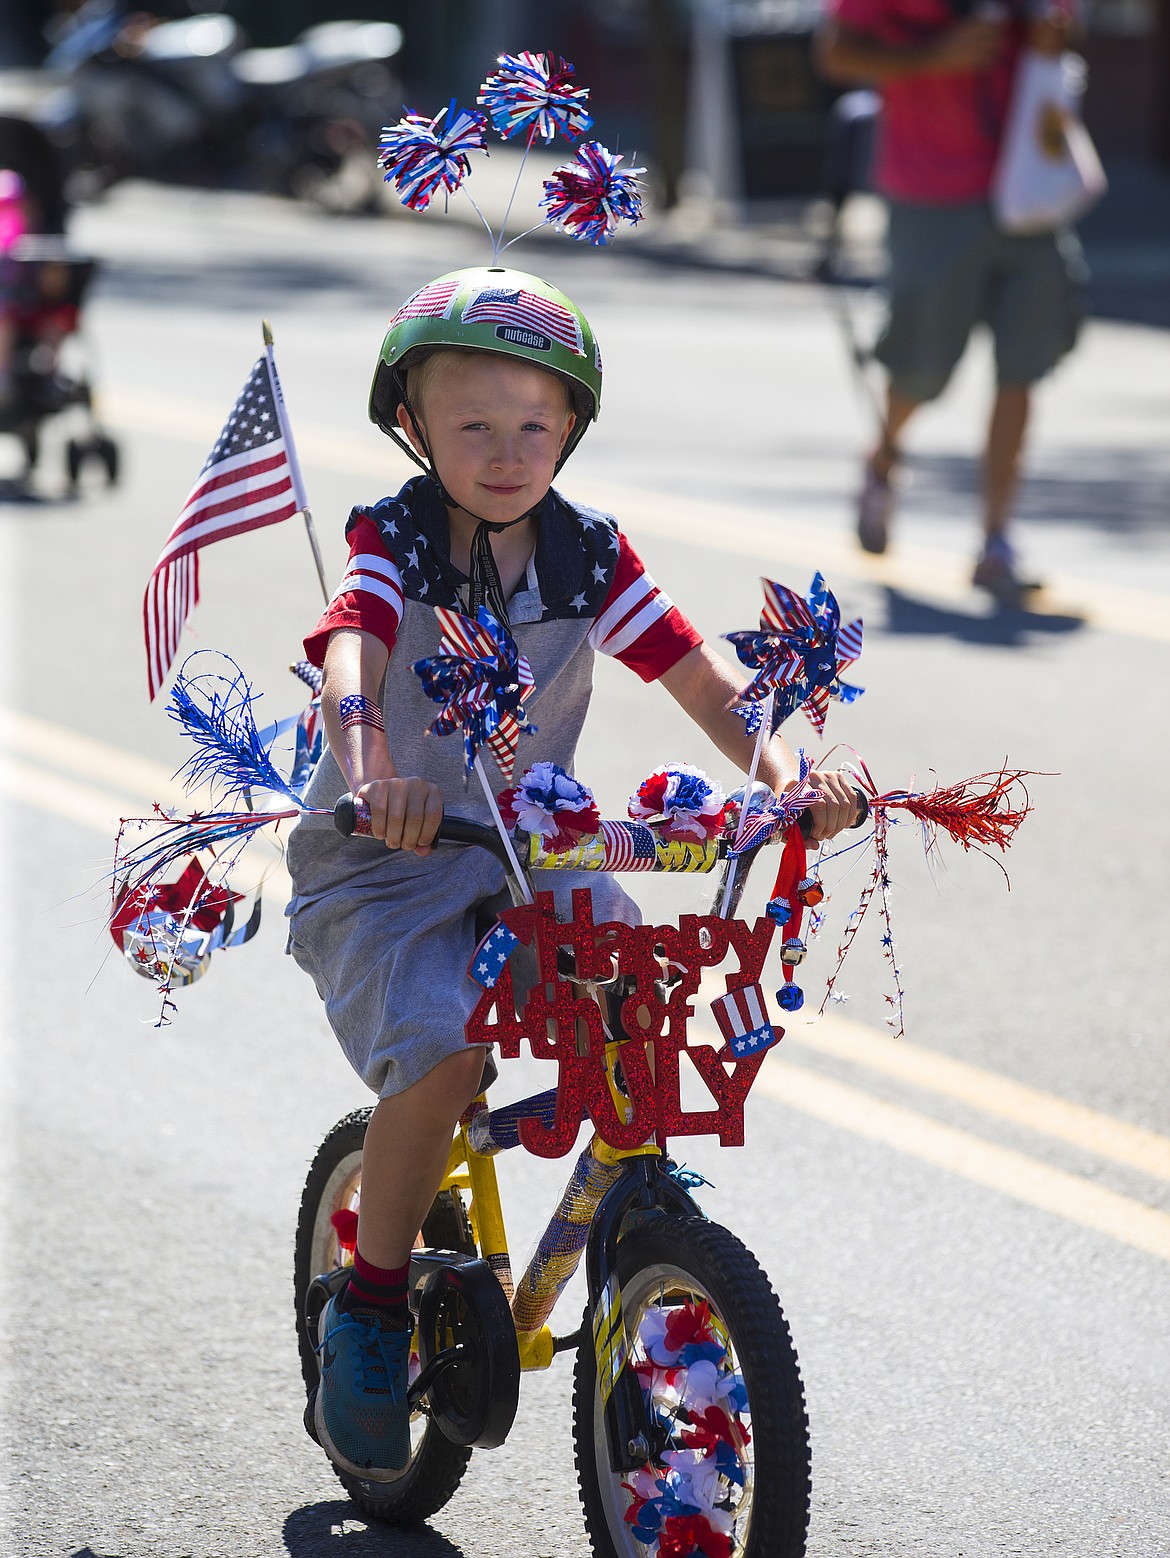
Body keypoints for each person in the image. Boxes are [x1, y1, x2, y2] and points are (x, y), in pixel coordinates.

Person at [284, 265, 864, 1480]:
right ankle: (373, 1307)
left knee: (637, 988)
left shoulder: (588, 551)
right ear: (414, 428)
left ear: (572, 430)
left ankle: (644, 1210)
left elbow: (703, 676)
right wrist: (371, 757)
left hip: (532, 850)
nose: (506, 453)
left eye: (535, 426)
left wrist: (788, 772)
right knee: (441, 1057)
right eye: (473, 427)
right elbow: (352, 647)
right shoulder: (387, 537)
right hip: (386, 861)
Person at [815, 0, 1084, 603]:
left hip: (1029, 187)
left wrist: (1051, 36)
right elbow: (835, 53)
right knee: (923, 369)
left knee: (1022, 366)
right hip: (930, 194)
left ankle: (996, 541)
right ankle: (883, 462)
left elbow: (1063, 35)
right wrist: (936, 54)